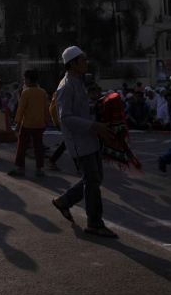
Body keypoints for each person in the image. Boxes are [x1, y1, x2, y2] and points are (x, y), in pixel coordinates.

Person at [52, 46, 118, 238]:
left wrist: (99, 105)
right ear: (72, 63)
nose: (85, 63)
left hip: (90, 139)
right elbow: (66, 118)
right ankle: (95, 223)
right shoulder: (65, 86)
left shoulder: (78, 83)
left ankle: (65, 201)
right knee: (93, 183)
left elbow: (82, 109)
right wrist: (94, 126)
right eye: (82, 60)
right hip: (80, 143)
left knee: (95, 179)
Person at [8, 69, 49, 177]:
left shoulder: (26, 92)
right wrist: (46, 121)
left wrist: (17, 122)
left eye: (24, 79)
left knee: (22, 146)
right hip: (39, 124)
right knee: (38, 147)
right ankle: (39, 168)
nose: (24, 81)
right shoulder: (43, 92)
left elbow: (21, 109)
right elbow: (46, 108)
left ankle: (21, 168)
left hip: (27, 124)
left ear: (28, 79)